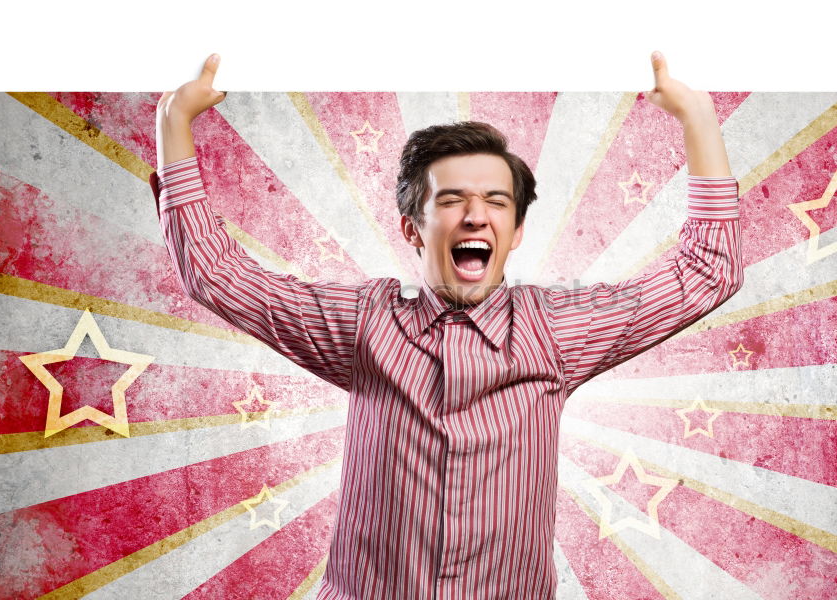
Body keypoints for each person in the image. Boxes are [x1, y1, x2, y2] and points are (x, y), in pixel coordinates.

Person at [151, 51, 742, 600]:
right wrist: (175, 121)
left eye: (497, 202)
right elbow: (220, 276)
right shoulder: (364, 324)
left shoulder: (558, 329)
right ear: (413, 228)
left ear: (515, 231)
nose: (477, 215)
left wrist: (697, 117)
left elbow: (706, 271)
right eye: (453, 199)